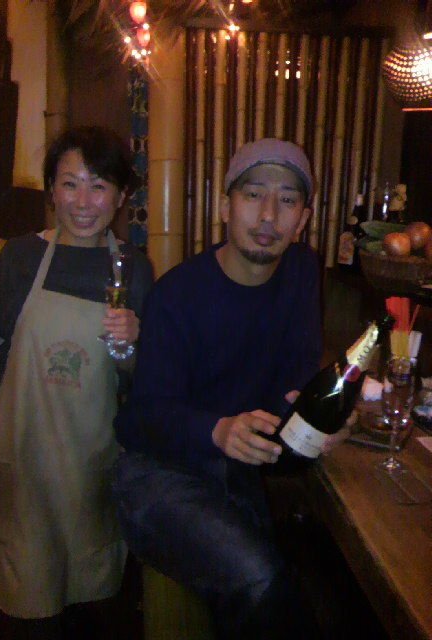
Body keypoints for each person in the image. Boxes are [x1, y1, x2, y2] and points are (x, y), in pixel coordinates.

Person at [112, 138, 349, 639]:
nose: (268, 215)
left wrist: (322, 414)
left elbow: (295, 374)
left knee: (309, 572)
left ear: (303, 219)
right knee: (263, 581)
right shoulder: (177, 295)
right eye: (253, 194)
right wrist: (216, 430)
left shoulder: (301, 271)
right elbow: (139, 418)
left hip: (235, 472)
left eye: (287, 200)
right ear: (225, 207)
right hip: (158, 476)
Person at [0, 126, 153, 638]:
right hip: (20, 450)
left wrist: (131, 342)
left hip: (89, 461)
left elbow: (137, 378)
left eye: (99, 186)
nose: (83, 202)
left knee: (89, 599)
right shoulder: (20, 256)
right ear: (51, 189)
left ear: (121, 195)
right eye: (70, 183)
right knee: (26, 595)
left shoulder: (132, 269)